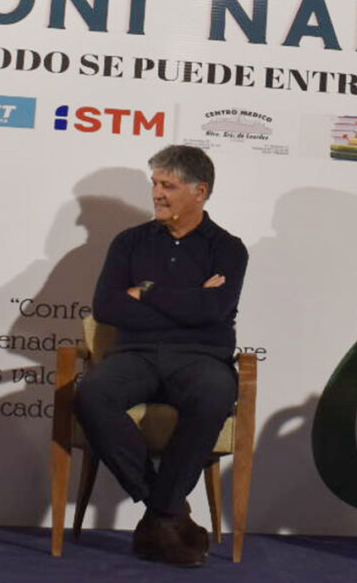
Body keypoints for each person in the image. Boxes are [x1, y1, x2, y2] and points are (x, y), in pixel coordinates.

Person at [74, 144, 248, 567]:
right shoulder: (129, 243)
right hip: (135, 353)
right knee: (91, 395)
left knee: (213, 395)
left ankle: (158, 518)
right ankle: (168, 511)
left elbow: (214, 311)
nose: (157, 193)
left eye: (168, 185)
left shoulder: (228, 248)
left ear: (199, 191)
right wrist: (188, 301)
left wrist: (147, 292)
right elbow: (108, 308)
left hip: (201, 357)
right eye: (155, 183)